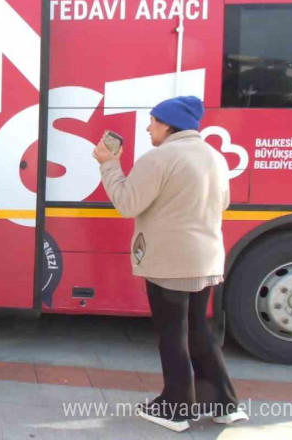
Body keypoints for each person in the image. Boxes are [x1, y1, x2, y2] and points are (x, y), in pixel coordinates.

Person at [93, 96, 248, 431]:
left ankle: (176, 409)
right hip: (207, 259)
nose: (148, 127)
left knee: (172, 334)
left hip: (169, 262)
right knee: (197, 329)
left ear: (168, 124)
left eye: (152, 121)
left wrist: (108, 163)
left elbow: (127, 203)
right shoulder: (215, 157)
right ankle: (224, 403)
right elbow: (224, 202)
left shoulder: (160, 158)